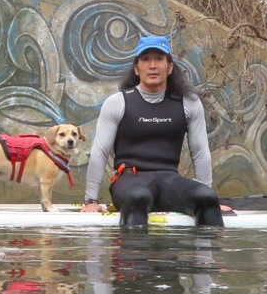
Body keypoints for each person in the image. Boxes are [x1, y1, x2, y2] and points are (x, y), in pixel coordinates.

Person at [80, 35, 228, 227]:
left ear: (170, 67)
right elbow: (100, 152)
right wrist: (91, 200)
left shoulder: (189, 103)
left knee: (206, 199)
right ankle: (134, 257)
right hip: (129, 182)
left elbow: (200, 152)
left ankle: (205, 257)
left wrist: (209, 195)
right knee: (138, 197)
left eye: (159, 59)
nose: (152, 65)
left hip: (170, 180)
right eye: (145, 59)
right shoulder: (118, 102)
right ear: (136, 68)